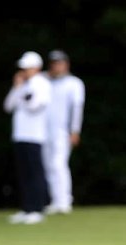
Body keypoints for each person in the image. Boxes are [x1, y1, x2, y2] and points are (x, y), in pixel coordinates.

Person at [4, 51, 52, 224]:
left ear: (37, 67)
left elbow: (35, 106)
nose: (24, 70)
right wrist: (17, 88)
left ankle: (38, 209)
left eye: (28, 67)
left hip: (34, 135)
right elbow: (8, 106)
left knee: (35, 173)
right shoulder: (22, 84)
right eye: (23, 67)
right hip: (20, 135)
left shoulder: (42, 83)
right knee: (23, 173)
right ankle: (26, 208)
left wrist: (23, 96)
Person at [42, 49, 86, 215]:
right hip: (43, 131)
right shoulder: (44, 81)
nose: (56, 66)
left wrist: (75, 130)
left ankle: (65, 200)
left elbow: (77, 109)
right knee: (47, 166)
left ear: (66, 64)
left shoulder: (74, 83)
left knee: (58, 164)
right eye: (53, 63)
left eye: (59, 63)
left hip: (63, 131)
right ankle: (55, 200)